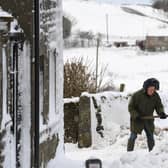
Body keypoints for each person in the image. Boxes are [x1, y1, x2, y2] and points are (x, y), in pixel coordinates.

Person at [127, 78, 167, 152]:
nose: (152, 91)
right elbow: (131, 107)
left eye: (154, 89)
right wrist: (136, 115)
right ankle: (129, 153)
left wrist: (161, 113)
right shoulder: (137, 95)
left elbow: (159, 106)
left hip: (148, 120)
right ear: (146, 88)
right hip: (137, 119)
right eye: (151, 89)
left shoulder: (155, 96)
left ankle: (152, 153)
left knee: (150, 136)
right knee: (133, 136)